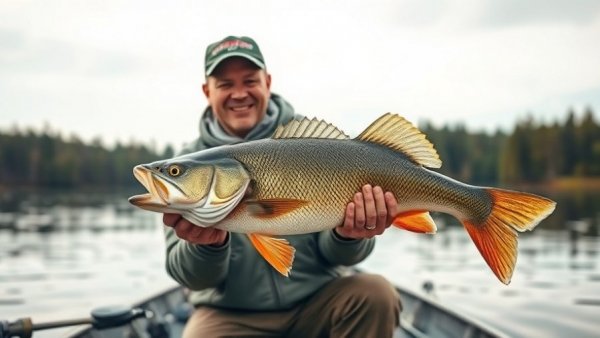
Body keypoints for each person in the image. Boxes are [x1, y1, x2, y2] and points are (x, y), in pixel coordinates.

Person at [162, 36, 402, 337]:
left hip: (317, 302)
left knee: (375, 293)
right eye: (225, 84)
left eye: (250, 80)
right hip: (232, 316)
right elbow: (194, 279)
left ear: (268, 82)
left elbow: (341, 258)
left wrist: (349, 236)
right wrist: (207, 247)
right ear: (206, 91)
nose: (239, 93)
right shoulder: (184, 172)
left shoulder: (312, 145)